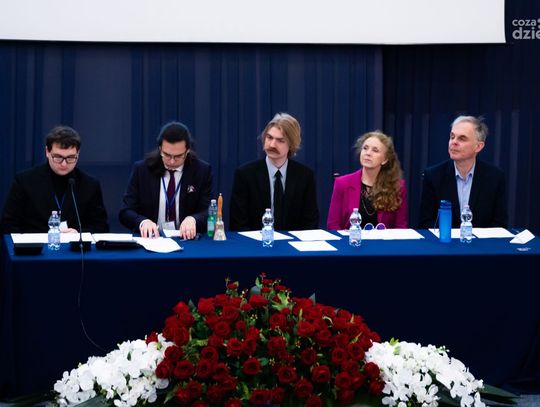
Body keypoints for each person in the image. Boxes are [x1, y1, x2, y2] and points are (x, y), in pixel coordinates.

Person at [1, 125, 109, 233]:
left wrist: (78, 234)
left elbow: (101, 227)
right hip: (36, 243)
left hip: (74, 243)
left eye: (70, 158)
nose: (64, 164)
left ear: (78, 154)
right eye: (58, 157)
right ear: (47, 152)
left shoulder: (90, 185)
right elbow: (8, 224)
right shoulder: (25, 181)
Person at [119, 121, 213, 239]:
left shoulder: (201, 171)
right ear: (160, 149)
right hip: (152, 239)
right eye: (167, 155)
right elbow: (125, 211)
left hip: (187, 240)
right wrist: (142, 222)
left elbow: (210, 210)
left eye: (178, 156)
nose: (172, 161)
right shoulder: (142, 170)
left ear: (187, 151)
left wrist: (193, 219)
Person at [229, 113, 319, 231]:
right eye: (269, 138)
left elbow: (310, 222)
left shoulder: (305, 176)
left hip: (293, 241)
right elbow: (238, 223)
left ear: (291, 144)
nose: (272, 145)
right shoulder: (245, 174)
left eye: (280, 141)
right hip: (255, 241)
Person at [419, 115, 508, 228]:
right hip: (445, 239)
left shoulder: (495, 177)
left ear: (478, 146)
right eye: (452, 137)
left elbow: (500, 225)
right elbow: (425, 224)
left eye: (462, 138)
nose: (454, 142)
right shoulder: (433, 176)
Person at [327, 131, 408, 230]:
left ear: (385, 160)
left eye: (375, 150)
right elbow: (333, 225)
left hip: (383, 240)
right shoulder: (342, 183)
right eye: (365, 148)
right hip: (350, 239)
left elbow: (400, 227)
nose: (368, 153)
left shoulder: (397, 187)